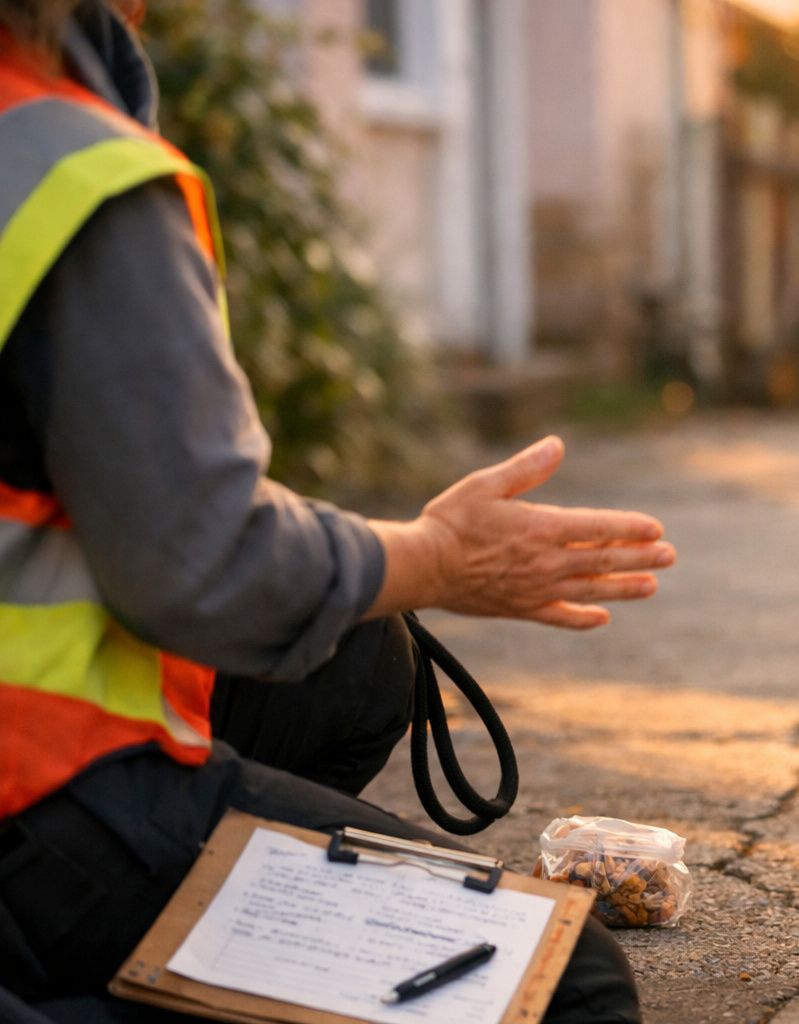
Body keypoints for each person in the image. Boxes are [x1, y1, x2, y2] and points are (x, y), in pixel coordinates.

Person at [0, 2, 676, 1020]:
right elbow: (204, 565)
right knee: (560, 987)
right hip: (31, 792)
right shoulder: (66, 165)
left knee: (362, 661)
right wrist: (436, 557)